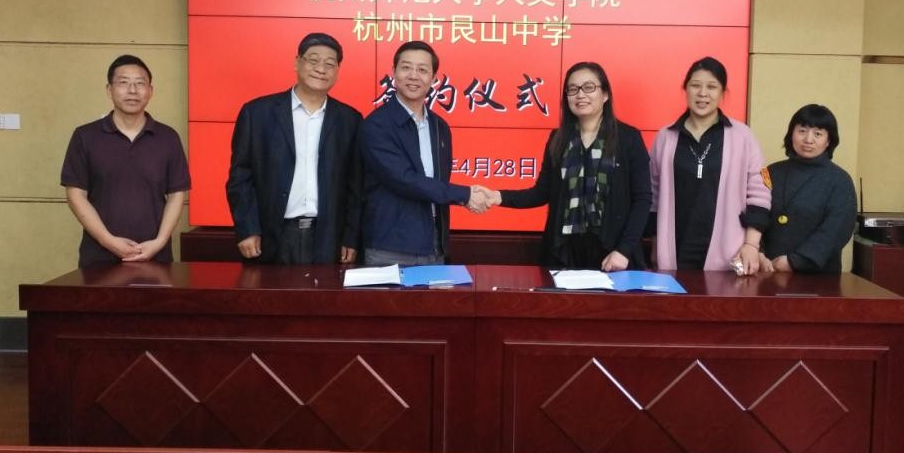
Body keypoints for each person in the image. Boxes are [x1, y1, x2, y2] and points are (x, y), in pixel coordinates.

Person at [487, 62, 651, 271]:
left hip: (614, 253)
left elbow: (642, 199)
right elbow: (541, 193)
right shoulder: (559, 139)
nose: (580, 95)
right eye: (572, 89)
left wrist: (624, 250)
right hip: (565, 252)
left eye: (589, 87)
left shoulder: (628, 138)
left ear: (605, 94)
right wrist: (497, 197)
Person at [226, 33, 362, 265]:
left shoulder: (350, 120)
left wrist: (351, 236)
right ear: (297, 62)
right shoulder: (257, 113)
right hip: (271, 234)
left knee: (325, 291)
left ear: (337, 71)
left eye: (330, 64)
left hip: (328, 236)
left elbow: (355, 185)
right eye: (313, 60)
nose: (321, 69)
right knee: (269, 290)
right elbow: (240, 176)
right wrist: (247, 228)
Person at [360, 40, 489, 266]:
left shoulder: (440, 127)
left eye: (422, 70)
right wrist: (465, 194)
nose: (413, 76)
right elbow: (404, 180)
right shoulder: (377, 125)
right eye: (406, 67)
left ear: (434, 78)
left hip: (434, 245)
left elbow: (438, 183)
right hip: (390, 247)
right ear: (394, 72)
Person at [61, 54, 190, 267]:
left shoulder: (168, 137)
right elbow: (76, 195)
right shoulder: (85, 136)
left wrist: (159, 242)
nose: (132, 90)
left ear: (150, 91)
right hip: (99, 257)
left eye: (140, 83)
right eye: (123, 83)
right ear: (109, 90)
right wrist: (108, 241)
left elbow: (177, 194)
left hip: (156, 256)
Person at [649, 57, 770, 274]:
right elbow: (653, 195)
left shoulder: (743, 137)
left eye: (712, 87)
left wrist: (751, 245)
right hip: (674, 250)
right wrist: (655, 244)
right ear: (685, 89)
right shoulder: (665, 137)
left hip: (730, 252)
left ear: (723, 93)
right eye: (695, 85)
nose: (702, 93)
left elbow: (760, 194)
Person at [759, 104, 857, 274]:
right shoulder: (770, 172)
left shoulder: (840, 180)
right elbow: (755, 213)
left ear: (829, 141)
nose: (808, 140)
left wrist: (794, 261)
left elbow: (836, 230)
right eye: (802, 131)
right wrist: (757, 252)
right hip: (767, 271)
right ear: (791, 134)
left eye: (818, 134)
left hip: (818, 276)